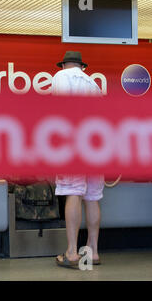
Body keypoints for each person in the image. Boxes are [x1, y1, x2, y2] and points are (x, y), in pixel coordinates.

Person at [52, 51, 104, 269]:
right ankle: (92, 252)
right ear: (81, 66)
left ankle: (72, 252)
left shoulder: (60, 78)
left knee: (73, 190)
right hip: (95, 143)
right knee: (92, 197)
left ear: (64, 65)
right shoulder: (94, 84)